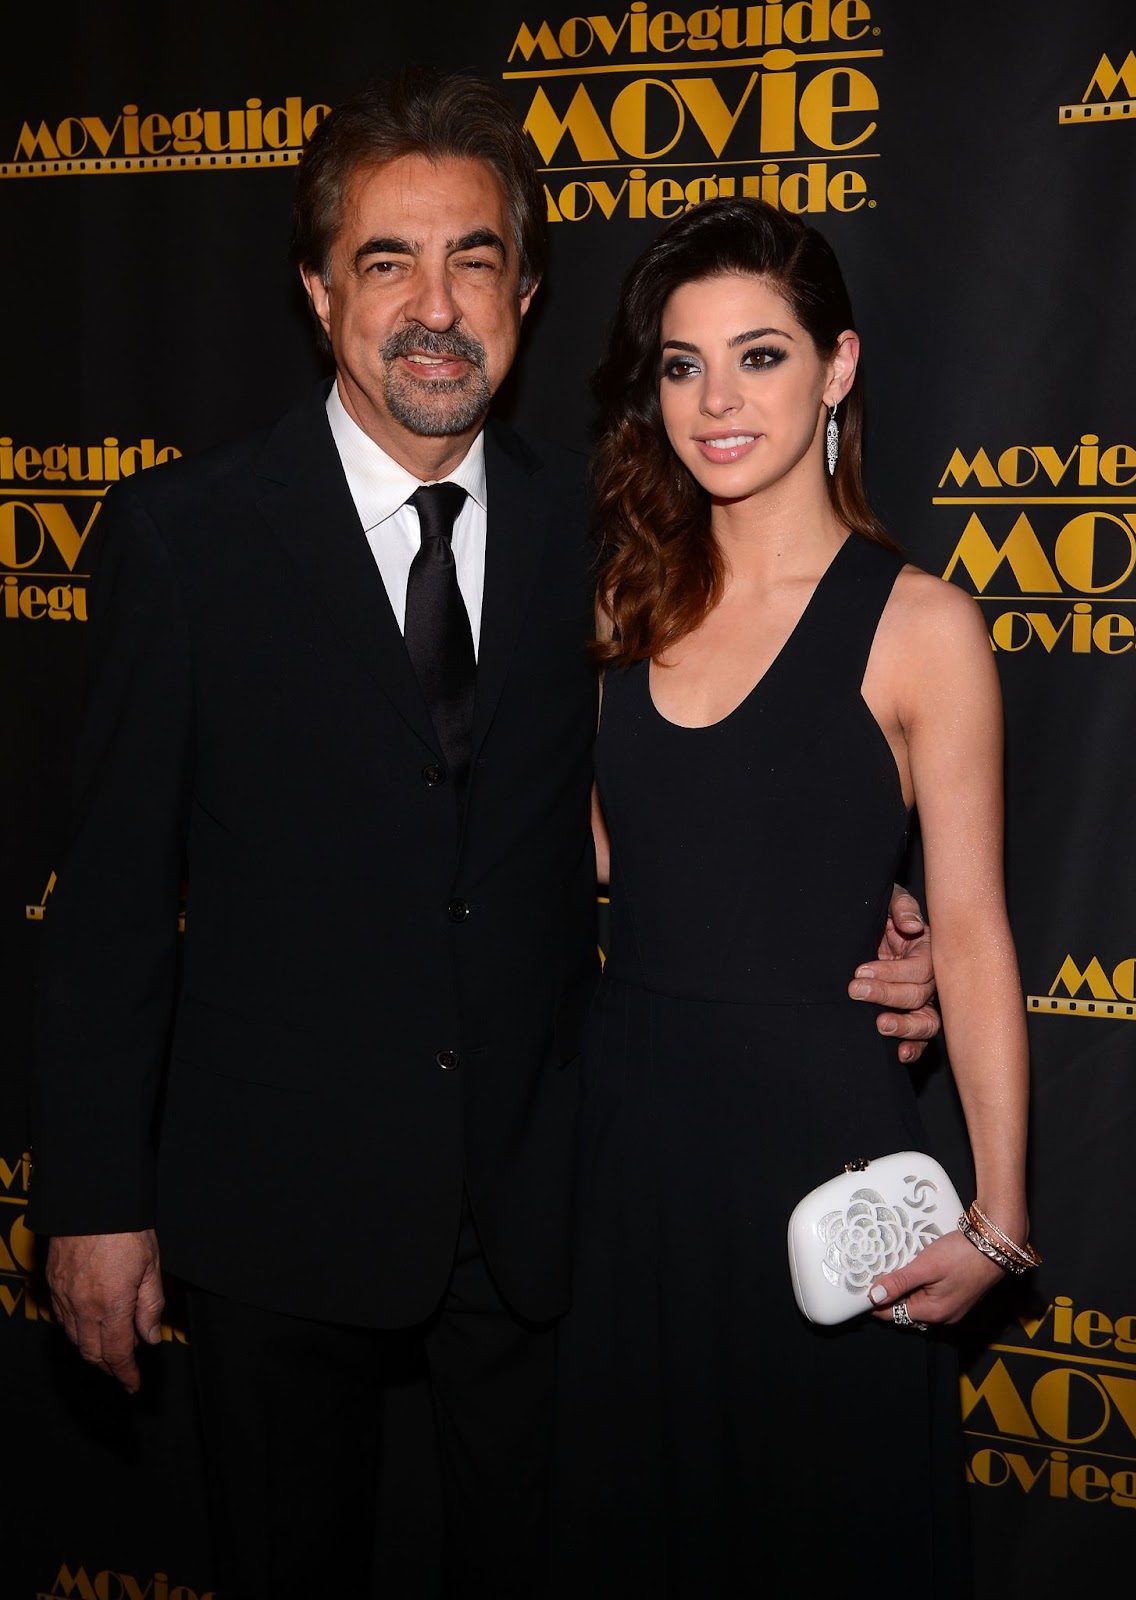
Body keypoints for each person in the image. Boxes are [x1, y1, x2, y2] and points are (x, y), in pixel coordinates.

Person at [29, 72, 939, 1600]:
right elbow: (110, 901)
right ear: (321, 294)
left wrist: (878, 907)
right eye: (388, 262)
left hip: (544, 1209)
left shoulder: (611, 526)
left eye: (472, 263)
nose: (433, 305)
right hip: (277, 1211)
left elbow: (727, 763)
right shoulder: (184, 542)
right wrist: (95, 1202)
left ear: (522, 295)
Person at [547, 197, 1034, 1598]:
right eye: (683, 363)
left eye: (759, 356)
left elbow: (977, 928)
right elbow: (594, 850)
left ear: (838, 368)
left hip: (819, 1156)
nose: (715, 399)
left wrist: (999, 1214)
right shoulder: (625, 607)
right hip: (627, 1157)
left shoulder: (922, 626)